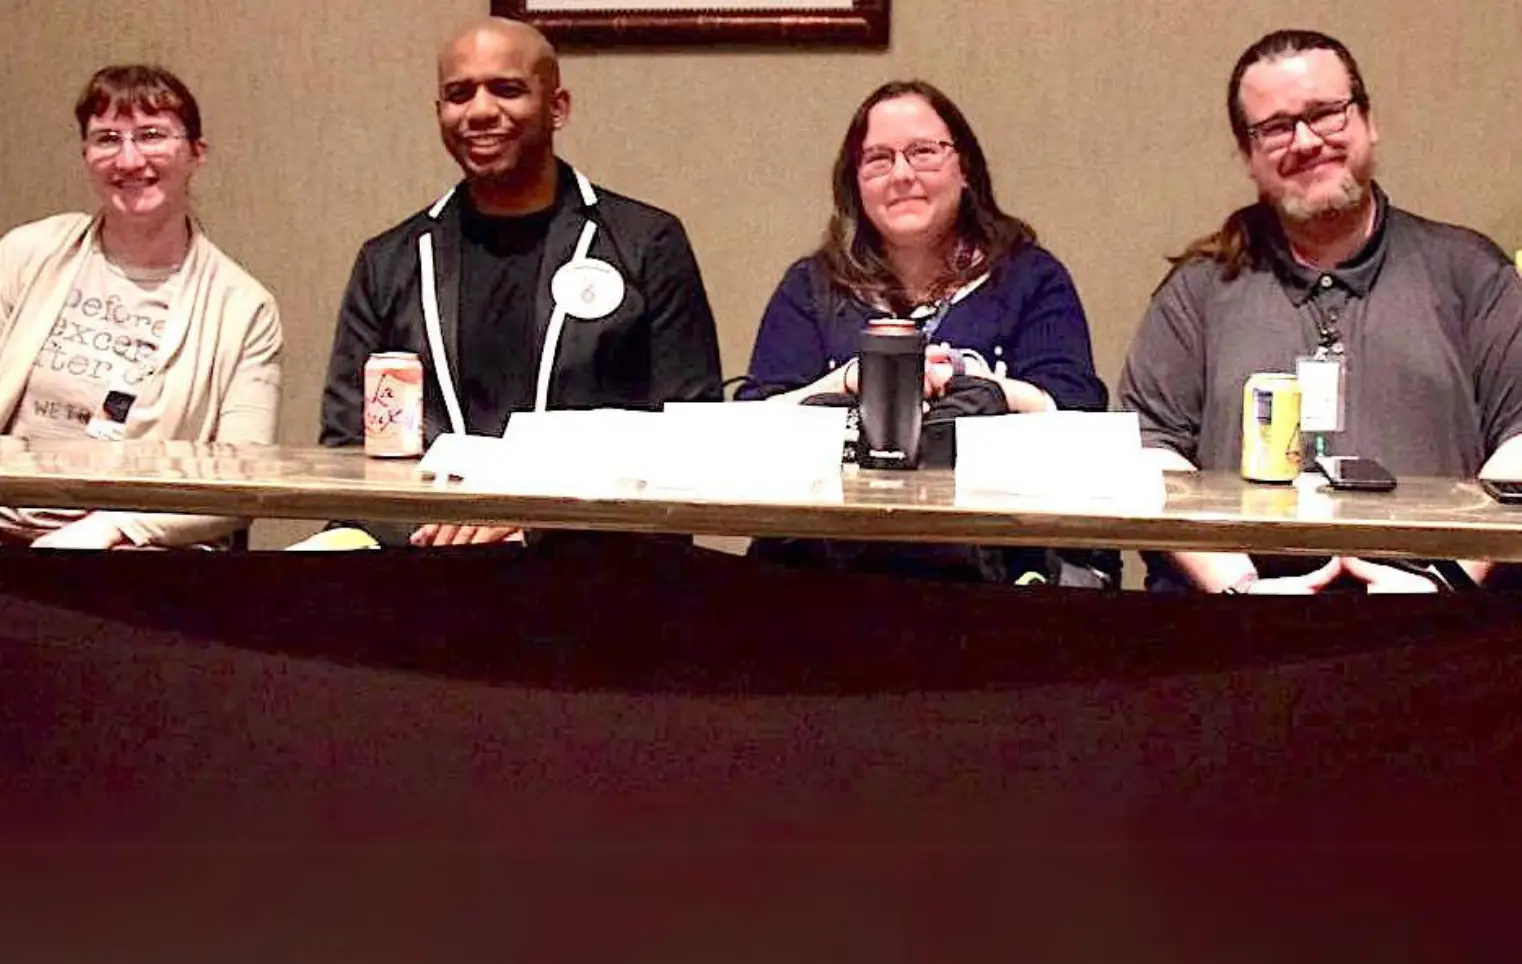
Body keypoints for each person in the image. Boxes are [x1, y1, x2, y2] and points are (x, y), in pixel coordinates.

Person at [1118, 29, 1522, 593]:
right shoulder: (1198, 290)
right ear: (1248, 156)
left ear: (1367, 122)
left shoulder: (1472, 273)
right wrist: (1237, 584)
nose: (1306, 141)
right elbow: (1147, 447)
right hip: (1239, 627)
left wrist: (1446, 580)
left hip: (1442, 621)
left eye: (1327, 114)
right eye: (1277, 128)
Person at [317, 17, 722, 549]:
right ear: (440, 113)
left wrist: (531, 517)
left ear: (558, 107)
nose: (481, 111)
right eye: (460, 95)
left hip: (601, 576)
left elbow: (688, 440)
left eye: (507, 89)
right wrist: (438, 527)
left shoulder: (647, 245)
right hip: (426, 566)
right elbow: (349, 451)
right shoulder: (388, 261)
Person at [739, 79, 1112, 585]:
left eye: (923, 152)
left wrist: (973, 381)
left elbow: (1077, 415)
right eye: (878, 159)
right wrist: (854, 380)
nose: (902, 174)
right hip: (830, 563)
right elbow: (752, 427)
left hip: (997, 559)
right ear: (855, 183)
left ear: (965, 171)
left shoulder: (1029, 277)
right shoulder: (812, 286)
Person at [0, 64, 282, 549]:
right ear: (86, 155)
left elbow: (245, 480)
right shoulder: (25, 255)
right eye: (107, 138)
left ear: (196, 154)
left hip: (137, 556)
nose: (129, 160)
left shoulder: (244, 309)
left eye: (152, 135)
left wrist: (109, 528)